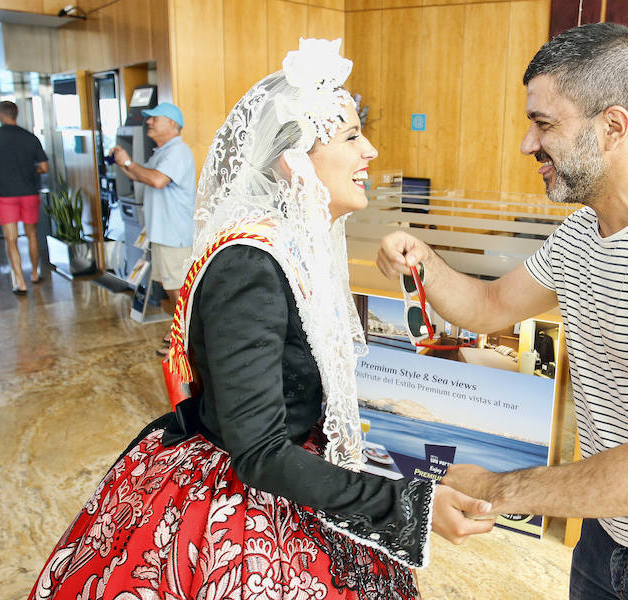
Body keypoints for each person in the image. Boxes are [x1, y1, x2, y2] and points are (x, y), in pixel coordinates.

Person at [28, 38, 494, 600]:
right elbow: (260, 451)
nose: (370, 149)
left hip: (298, 469)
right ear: (293, 160)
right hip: (237, 497)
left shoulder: (299, 246)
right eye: (349, 136)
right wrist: (408, 506)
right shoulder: (247, 263)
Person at [377, 23, 628, 600]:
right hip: (609, 532)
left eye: (543, 124)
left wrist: (499, 488)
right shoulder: (581, 236)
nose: (527, 144)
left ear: (613, 127)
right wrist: (423, 261)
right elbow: (489, 306)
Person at [110, 102, 195, 356]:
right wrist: (125, 164)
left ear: (172, 124)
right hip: (162, 233)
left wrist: (128, 162)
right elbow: (142, 175)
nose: (148, 122)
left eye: (154, 118)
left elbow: (157, 180)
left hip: (174, 234)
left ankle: (187, 339)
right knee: (171, 287)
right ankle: (180, 332)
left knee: (178, 288)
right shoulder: (163, 151)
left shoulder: (178, 152)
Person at [0, 100, 49, 295]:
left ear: (1, 115)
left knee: (11, 238)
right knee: (32, 234)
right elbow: (44, 167)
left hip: (5, 195)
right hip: (29, 193)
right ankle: (34, 273)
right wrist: (28, 168)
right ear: (16, 114)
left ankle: (20, 282)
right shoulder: (30, 137)